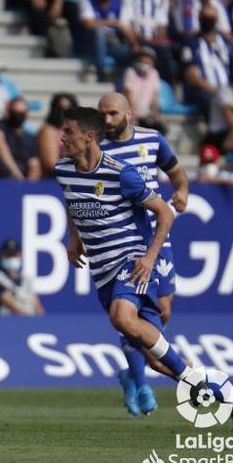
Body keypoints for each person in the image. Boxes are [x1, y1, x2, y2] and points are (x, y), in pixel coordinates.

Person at [55, 106, 233, 431]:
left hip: (131, 260)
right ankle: (231, 395)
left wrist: (149, 257)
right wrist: (74, 237)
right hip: (102, 270)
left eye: (68, 132)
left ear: (89, 137)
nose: (62, 138)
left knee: (123, 317)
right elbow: (70, 198)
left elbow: (165, 213)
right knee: (155, 358)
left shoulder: (122, 173)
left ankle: (190, 379)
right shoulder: (63, 169)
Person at [97, 92, 190, 416]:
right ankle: (139, 381)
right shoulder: (97, 149)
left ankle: (132, 373)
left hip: (158, 236)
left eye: (111, 114)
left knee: (161, 313)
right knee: (130, 317)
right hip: (125, 241)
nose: (105, 121)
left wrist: (182, 190)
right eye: (101, 115)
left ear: (128, 114)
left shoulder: (152, 140)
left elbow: (176, 171)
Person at [181, 4, 232, 117]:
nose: (208, 21)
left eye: (211, 19)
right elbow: (191, 75)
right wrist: (215, 90)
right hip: (204, 90)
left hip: (227, 90)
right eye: (205, 18)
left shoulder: (225, 43)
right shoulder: (191, 43)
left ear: (217, 20)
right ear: (199, 19)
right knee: (212, 101)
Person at [0, 97, 41, 180]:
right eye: (15, 112)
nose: (18, 116)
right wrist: (17, 175)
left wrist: (28, 186)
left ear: (27, 113)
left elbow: (34, 164)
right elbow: (1, 148)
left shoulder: (29, 137)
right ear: (8, 111)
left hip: (20, 182)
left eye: (21, 113)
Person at [79, 0, 138, 82]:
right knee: (99, 32)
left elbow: (126, 28)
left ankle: (123, 78)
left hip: (112, 44)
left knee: (132, 50)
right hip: (90, 44)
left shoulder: (121, 2)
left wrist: (134, 44)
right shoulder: (87, 0)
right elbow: (88, 23)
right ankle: (101, 71)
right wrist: (113, 23)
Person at [0, 239, 44, 316]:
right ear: (1, 256)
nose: (11, 258)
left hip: (30, 322)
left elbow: (37, 305)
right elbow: (11, 306)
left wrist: (43, 322)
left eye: (14, 255)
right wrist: (30, 320)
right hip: (6, 323)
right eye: (8, 255)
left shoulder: (27, 280)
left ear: (20, 256)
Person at [121, 47, 165, 133]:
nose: (144, 64)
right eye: (142, 61)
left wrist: (156, 115)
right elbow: (129, 94)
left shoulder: (154, 73)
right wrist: (132, 115)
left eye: (147, 62)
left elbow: (154, 97)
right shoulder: (130, 72)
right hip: (132, 115)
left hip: (146, 116)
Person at [37, 92, 78, 176]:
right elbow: (51, 164)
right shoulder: (48, 130)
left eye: (69, 108)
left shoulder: (79, 131)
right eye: (60, 108)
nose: (64, 112)